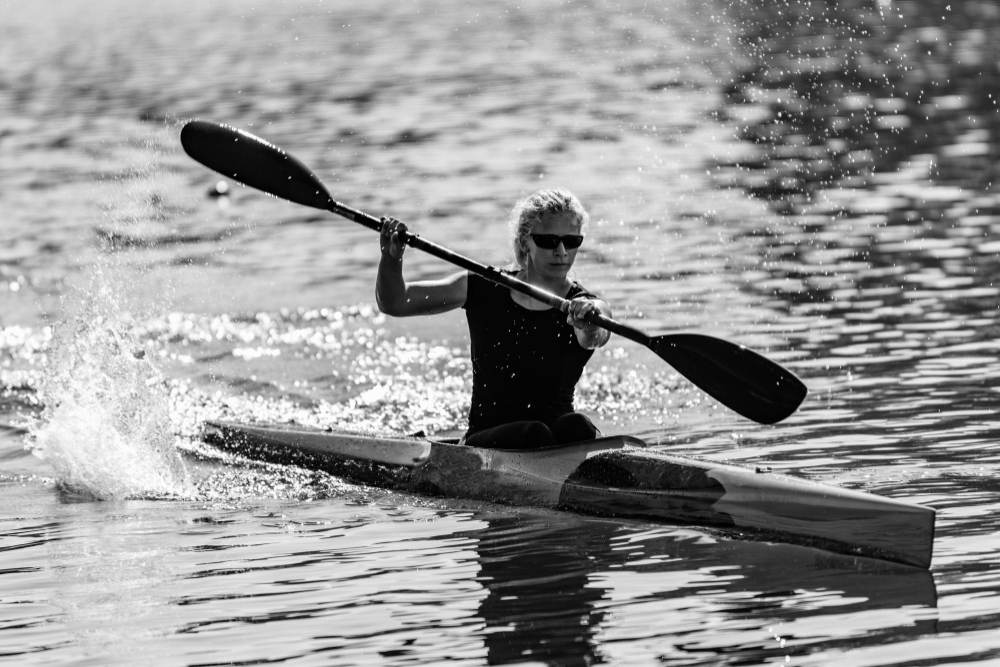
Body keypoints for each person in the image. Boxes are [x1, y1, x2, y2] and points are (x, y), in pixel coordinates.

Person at [376, 189, 612, 449]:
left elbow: (595, 334)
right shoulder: (482, 287)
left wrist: (588, 320)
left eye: (571, 241)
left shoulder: (586, 308)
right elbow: (396, 302)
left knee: (577, 426)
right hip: (486, 439)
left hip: (560, 438)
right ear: (525, 242)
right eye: (548, 241)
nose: (561, 251)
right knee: (534, 434)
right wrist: (391, 258)